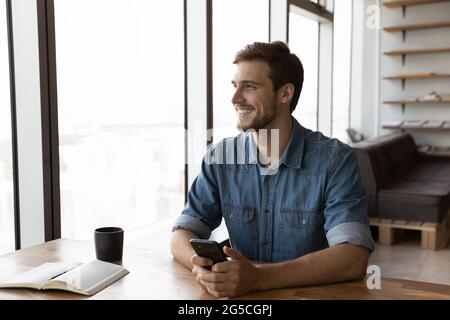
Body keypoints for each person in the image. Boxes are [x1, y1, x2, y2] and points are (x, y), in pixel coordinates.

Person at [170, 41, 374, 298]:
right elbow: (181, 234)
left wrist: (259, 279)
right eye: (235, 86)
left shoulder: (336, 160)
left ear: (284, 94)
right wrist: (200, 266)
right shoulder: (220, 157)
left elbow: (353, 258)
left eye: (249, 87)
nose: (235, 99)